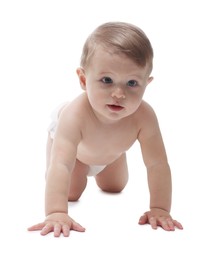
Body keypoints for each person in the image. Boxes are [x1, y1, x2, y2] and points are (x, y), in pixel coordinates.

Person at [28, 21, 183, 237]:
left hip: (111, 153)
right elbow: (62, 164)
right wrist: (56, 212)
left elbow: (157, 164)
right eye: (107, 80)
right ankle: (77, 177)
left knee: (115, 187)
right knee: (71, 193)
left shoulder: (144, 117)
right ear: (83, 79)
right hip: (74, 154)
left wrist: (160, 208)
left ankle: (113, 155)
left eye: (131, 83)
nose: (119, 93)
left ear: (146, 84)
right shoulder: (74, 115)